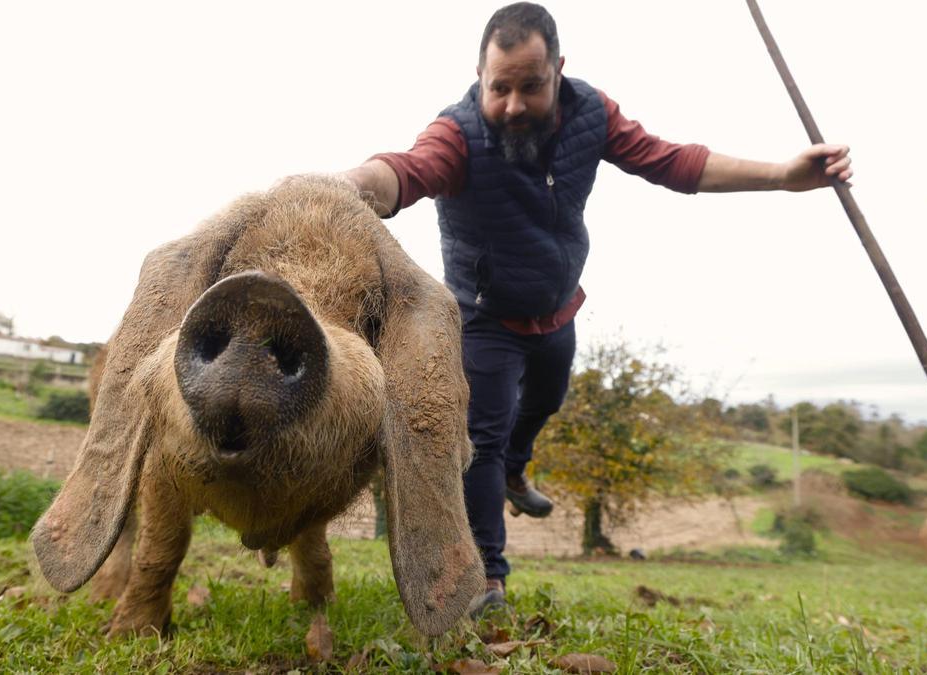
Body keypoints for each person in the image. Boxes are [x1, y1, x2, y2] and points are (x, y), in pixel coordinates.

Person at [341, 2, 852, 611]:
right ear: (479, 76)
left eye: (529, 87)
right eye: (497, 87)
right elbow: (404, 172)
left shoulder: (591, 115)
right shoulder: (457, 135)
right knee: (483, 434)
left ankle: (515, 469)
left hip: (557, 309)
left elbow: (675, 163)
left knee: (547, 400)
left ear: (559, 70)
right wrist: (341, 191)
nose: (510, 105)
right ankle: (489, 579)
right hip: (484, 318)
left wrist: (782, 175)